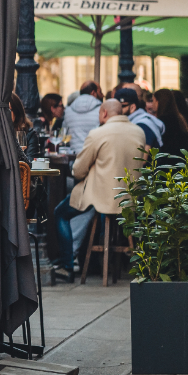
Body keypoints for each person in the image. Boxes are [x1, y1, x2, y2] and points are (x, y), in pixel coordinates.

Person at [52, 99, 146, 277]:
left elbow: (79, 170)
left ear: (104, 113)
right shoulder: (139, 132)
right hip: (129, 199)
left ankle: (68, 266)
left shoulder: (98, 133)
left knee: (60, 213)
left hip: (102, 198)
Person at [63, 80, 103, 155]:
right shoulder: (101, 110)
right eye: (100, 92)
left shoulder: (68, 110)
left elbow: (65, 133)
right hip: (95, 156)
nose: (103, 95)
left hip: (74, 156)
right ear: (93, 93)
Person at [153, 88, 188, 155]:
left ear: (158, 101)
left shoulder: (160, 121)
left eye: (153, 100)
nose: (152, 104)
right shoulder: (180, 119)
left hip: (166, 160)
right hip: (180, 158)